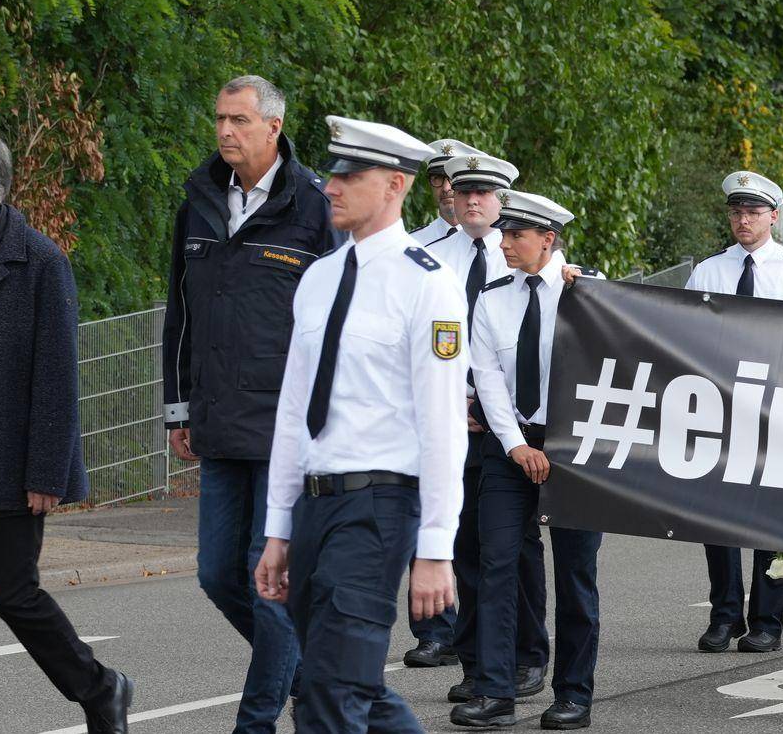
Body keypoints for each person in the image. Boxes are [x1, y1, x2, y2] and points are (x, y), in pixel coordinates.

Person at [251, 115, 467, 731]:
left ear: (396, 185)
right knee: (353, 688)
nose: (332, 186)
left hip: (378, 507)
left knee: (328, 694)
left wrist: (436, 548)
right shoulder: (318, 279)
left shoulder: (430, 287)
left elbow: (444, 424)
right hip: (317, 508)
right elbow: (295, 410)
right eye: (334, 172)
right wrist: (279, 527)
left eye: (351, 174)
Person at [0, 126, 134, 734]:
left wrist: (46, 471)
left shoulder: (39, 261)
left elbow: (57, 377)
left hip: (12, 466)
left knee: (16, 595)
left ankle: (101, 686)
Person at [160, 75, 337, 733]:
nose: (225, 131)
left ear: (273, 126)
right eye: (219, 119)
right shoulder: (199, 201)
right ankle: (311, 672)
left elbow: (342, 320)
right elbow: (179, 312)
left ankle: (255, 720)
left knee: (272, 589)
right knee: (216, 574)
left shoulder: (316, 208)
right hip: (216, 420)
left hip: (287, 428)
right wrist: (178, 406)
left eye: (238, 120)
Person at [457, 190, 603, 730]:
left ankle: (573, 693)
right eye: (503, 233)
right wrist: (515, 444)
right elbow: (488, 376)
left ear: (548, 239)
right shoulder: (494, 297)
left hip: (575, 445)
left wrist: (591, 295)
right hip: (509, 442)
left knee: (575, 572)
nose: (505, 243)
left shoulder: (588, 293)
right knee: (497, 561)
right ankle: (496, 691)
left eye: (516, 235)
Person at [413, 151, 521, 689]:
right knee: (465, 548)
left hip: (514, 427)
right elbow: (417, 338)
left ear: (501, 200)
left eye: (483, 192)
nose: (472, 199)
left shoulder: (521, 253)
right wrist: (453, 399)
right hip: (451, 422)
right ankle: (478, 666)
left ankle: (524, 658)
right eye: (464, 190)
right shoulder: (425, 255)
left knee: (511, 549)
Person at [684, 171, 783, 653]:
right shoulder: (709, 271)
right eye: (736, 212)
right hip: (721, 408)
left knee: (775, 524)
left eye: (753, 212)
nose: (743, 220)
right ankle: (725, 613)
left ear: (774, 216)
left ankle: (768, 618)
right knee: (717, 518)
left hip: (778, 409)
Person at [413, 139, 481, 245]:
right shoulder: (414, 242)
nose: (446, 188)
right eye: (438, 178)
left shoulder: (495, 243)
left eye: (452, 179)